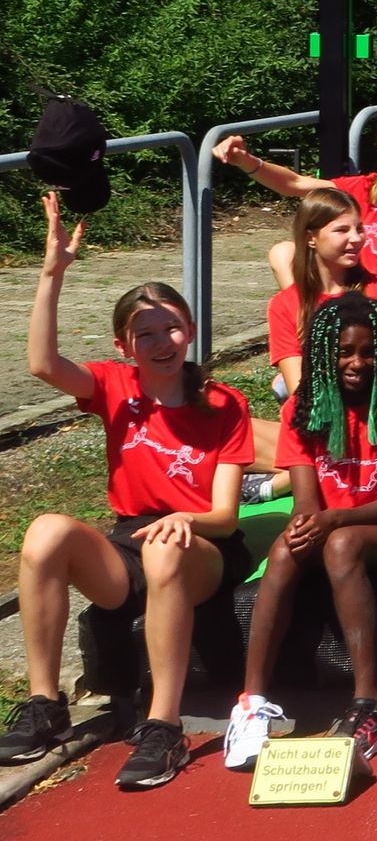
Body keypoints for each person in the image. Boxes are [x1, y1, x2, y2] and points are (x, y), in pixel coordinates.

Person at [0, 195, 253, 790]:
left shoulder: (223, 403)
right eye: (145, 334)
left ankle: (163, 725)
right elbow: (41, 364)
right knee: (46, 531)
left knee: (165, 548)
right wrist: (51, 273)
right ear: (124, 346)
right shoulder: (114, 386)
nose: (162, 341)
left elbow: (224, 514)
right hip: (130, 541)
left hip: (203, 546)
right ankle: (45, 704)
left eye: (172, 327)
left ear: (190, 331)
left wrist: (185, 521)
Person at [227, 293, 377, 767]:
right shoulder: (301, 408)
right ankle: (252, 703)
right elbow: (305, 502)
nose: (357, 363)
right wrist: (305, 525)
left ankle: (371, 705)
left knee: (341, 544)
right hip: (329, 524)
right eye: (344, 352)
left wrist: (331, 520)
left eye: (368, 352)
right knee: (284, 550)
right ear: (324, 354)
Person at [217, 97, 377, 352]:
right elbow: (294, 184)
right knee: (283, 252)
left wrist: (374, 311)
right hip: (354, 300)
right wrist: (246, 161)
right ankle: (309, 323)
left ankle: (329, 334)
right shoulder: (363, 188)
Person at [264, 187, 377, 399]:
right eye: (342, 230)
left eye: (359, 229)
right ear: (311, 238)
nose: (356, 238)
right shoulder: (284, 304)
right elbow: (298, 389)